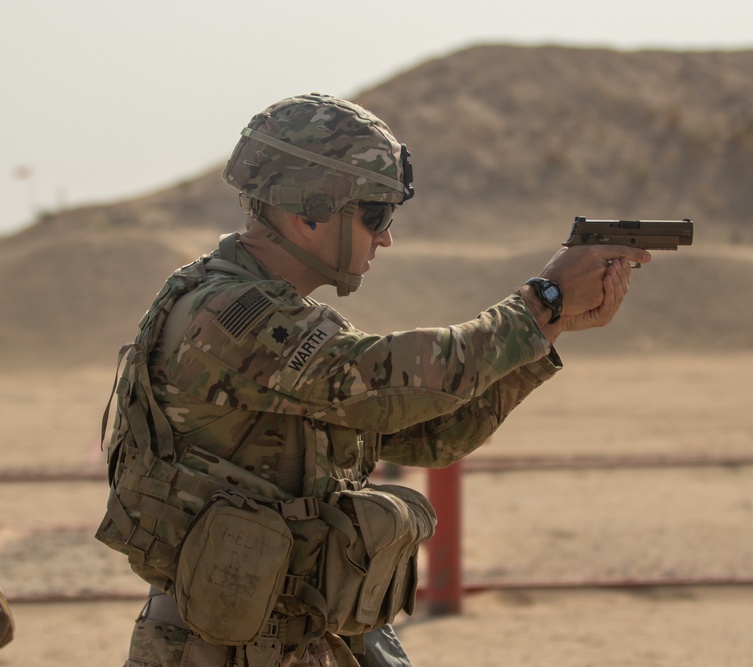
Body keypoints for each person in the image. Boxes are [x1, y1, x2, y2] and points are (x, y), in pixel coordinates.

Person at [95, 94, 650, 667]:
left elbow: (432, 434)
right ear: (308, 212)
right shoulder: (228, 316)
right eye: (374, 216)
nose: (385, 238)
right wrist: (542, 302)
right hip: (216, 648)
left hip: (297, 639)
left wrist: (548, 333)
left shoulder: (288, 323)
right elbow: (394, 385)